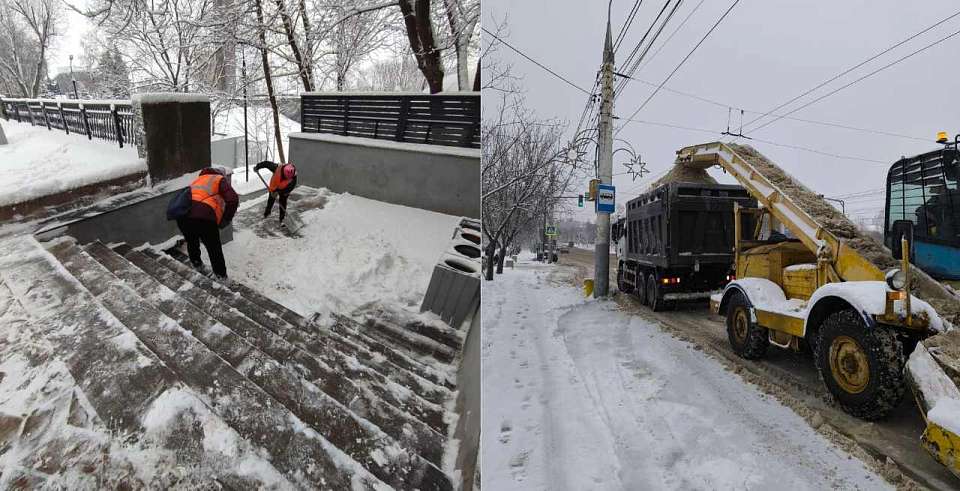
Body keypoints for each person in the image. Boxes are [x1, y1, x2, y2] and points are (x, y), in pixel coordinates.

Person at [177, 166, 239, 278]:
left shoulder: (198, 180)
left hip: (184, 217)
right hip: (203, 218)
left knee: (192, 242)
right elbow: (233, 199)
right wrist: (226, 219)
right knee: (214, 248)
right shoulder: (219, 179)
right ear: (222, 175)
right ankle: (221, 277)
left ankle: (197, 265)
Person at [254, 160, 298, 224]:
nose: (286, 178)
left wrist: (280, 192)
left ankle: (282, 218)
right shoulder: (276, 167)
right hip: (274, 187)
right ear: (283, 172)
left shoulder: (294, 176)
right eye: (286, 177)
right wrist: (257, 167)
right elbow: (266, 163)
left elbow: (290, 188)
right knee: (271, 200)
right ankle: (267, 213)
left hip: (285, 189)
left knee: (283, 202)